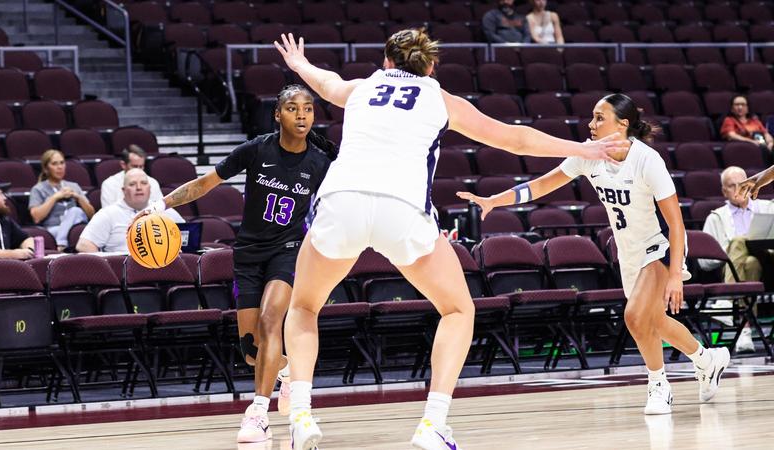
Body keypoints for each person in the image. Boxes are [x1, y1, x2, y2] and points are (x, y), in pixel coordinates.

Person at [272, 30, 629, 450]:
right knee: (458, 309)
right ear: (430, 67)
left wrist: (299, 65)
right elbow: (514, 138)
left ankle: (301, 416)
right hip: (401, 208)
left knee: (304, 307)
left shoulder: (362, 87)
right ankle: (433, 423)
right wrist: (583, 149)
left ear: (386, 63)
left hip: (341, 201)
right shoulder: (441, 99)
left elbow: (325, 81)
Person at [458, 93, 731, 418]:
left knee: (634, 318)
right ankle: (706, 360)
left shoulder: (647, 160)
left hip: (658, 249)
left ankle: (659, 386)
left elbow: (675, 223)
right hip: (627, 254)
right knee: (653, 322)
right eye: (592, 116)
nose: (591, 123)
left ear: (622, 124)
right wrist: (494, 201)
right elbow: (543, 185)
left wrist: (675, 275)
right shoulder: (588, 156)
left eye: (600, 118)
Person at [138, 84, 336, 444]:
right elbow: (204, 183)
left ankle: (258, 413)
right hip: (248, 252)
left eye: (308, 109)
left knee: (270, 319)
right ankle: (288, 373)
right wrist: (160, 205)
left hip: (289, 250)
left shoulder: (321, 164)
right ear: (278, 114)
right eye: (292, 108)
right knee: (252, 352)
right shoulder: (256, 150)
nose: (302, 115)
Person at [702, 167, 774, 352]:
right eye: (731, 186)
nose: (737, 190)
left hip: (771, 262)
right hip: (748, 272)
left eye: (740, 185)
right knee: (748, 262)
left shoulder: (769, 207)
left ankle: (726, 300)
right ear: (723, 191)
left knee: (739, 240)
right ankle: (746, 332)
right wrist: (731, 253)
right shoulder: (716, 218)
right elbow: (704, 261)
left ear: (750, 184)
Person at [76, 169, 182, 253]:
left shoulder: (164, 210)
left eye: (144, 183)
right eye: (132, 184)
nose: (139, 187)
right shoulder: (108, 213)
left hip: (162, 267)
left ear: (150, 188)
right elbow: (84, 245)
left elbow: (187, 236)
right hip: (123, 272)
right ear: (123, 190)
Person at [29, 149, 94, 250]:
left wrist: (77, 197)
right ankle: (62, 242)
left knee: (75, 211)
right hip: (54, 229)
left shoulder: (73, 186)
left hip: (75, 228)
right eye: (54, 164)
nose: (59, 167)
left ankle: (61, 244)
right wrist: (55, 197)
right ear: (46, 169)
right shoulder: (38, 189)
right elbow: (36, 217)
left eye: (62, 163)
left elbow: (91, 214)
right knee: (57, 231)